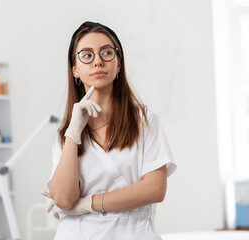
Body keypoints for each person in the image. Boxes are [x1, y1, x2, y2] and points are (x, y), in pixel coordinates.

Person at [43, 21, 177, 240]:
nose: (98, 61)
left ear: (119, 64)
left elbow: (154, 189)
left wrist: (90, 204)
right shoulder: (65, 135)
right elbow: (65, 200)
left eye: (106, 53)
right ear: (74, 69)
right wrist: (73, 133)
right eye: (87, 55)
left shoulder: (144, 121)